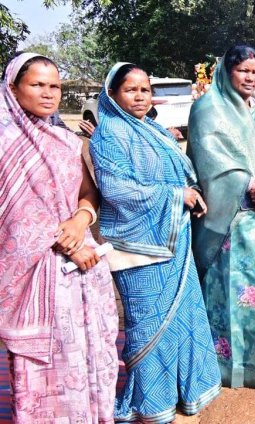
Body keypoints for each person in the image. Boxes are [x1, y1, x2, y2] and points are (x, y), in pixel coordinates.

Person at [89, 62, 221, 421]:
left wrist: (189, 191)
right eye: (130, 90)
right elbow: (116, 190)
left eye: (145, 90)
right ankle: (151, 404)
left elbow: (179, 171)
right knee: (148, 325)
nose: (140, 96)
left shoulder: (152, 129)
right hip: (138, 246)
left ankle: (183, 391)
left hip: (172, 237)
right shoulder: (109, 134)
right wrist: (176, 195)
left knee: (182, 317)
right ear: (111, 94)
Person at [0, 52, 118, 423]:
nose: (49, 93)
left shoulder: (64, 139)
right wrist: (66, 243)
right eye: (37, 84)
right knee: (44, 370)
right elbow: (14, 218)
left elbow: (87, 192)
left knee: (86, 355)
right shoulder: (4, 143)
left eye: (55, 86)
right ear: (13, 89)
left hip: (81, 271)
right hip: (35, 277)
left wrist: (81, 220)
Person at [188, 45, 255, 388]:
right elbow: (210, 159)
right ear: (227, 71)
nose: (250, 77)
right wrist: (251, 183)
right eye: (243, 71)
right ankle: (222, 367)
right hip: (226, 223)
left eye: (254, 71)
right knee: (227, 293)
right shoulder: (209, 109)